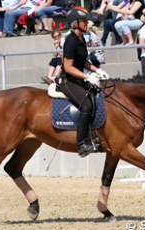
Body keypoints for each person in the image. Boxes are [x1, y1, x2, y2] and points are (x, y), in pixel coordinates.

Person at [58, 8, 110, 157]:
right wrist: (87, 77)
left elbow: (84, 61)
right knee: (86, 105)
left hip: (78, 78)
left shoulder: (81, 38)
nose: (87, 24)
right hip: (67, 80)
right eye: (84, 21)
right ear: (75, 24)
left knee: (97, 96)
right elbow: (68, 67)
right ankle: (81, 144)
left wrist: (96, 70)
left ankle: (94, 136)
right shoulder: (70, 41)